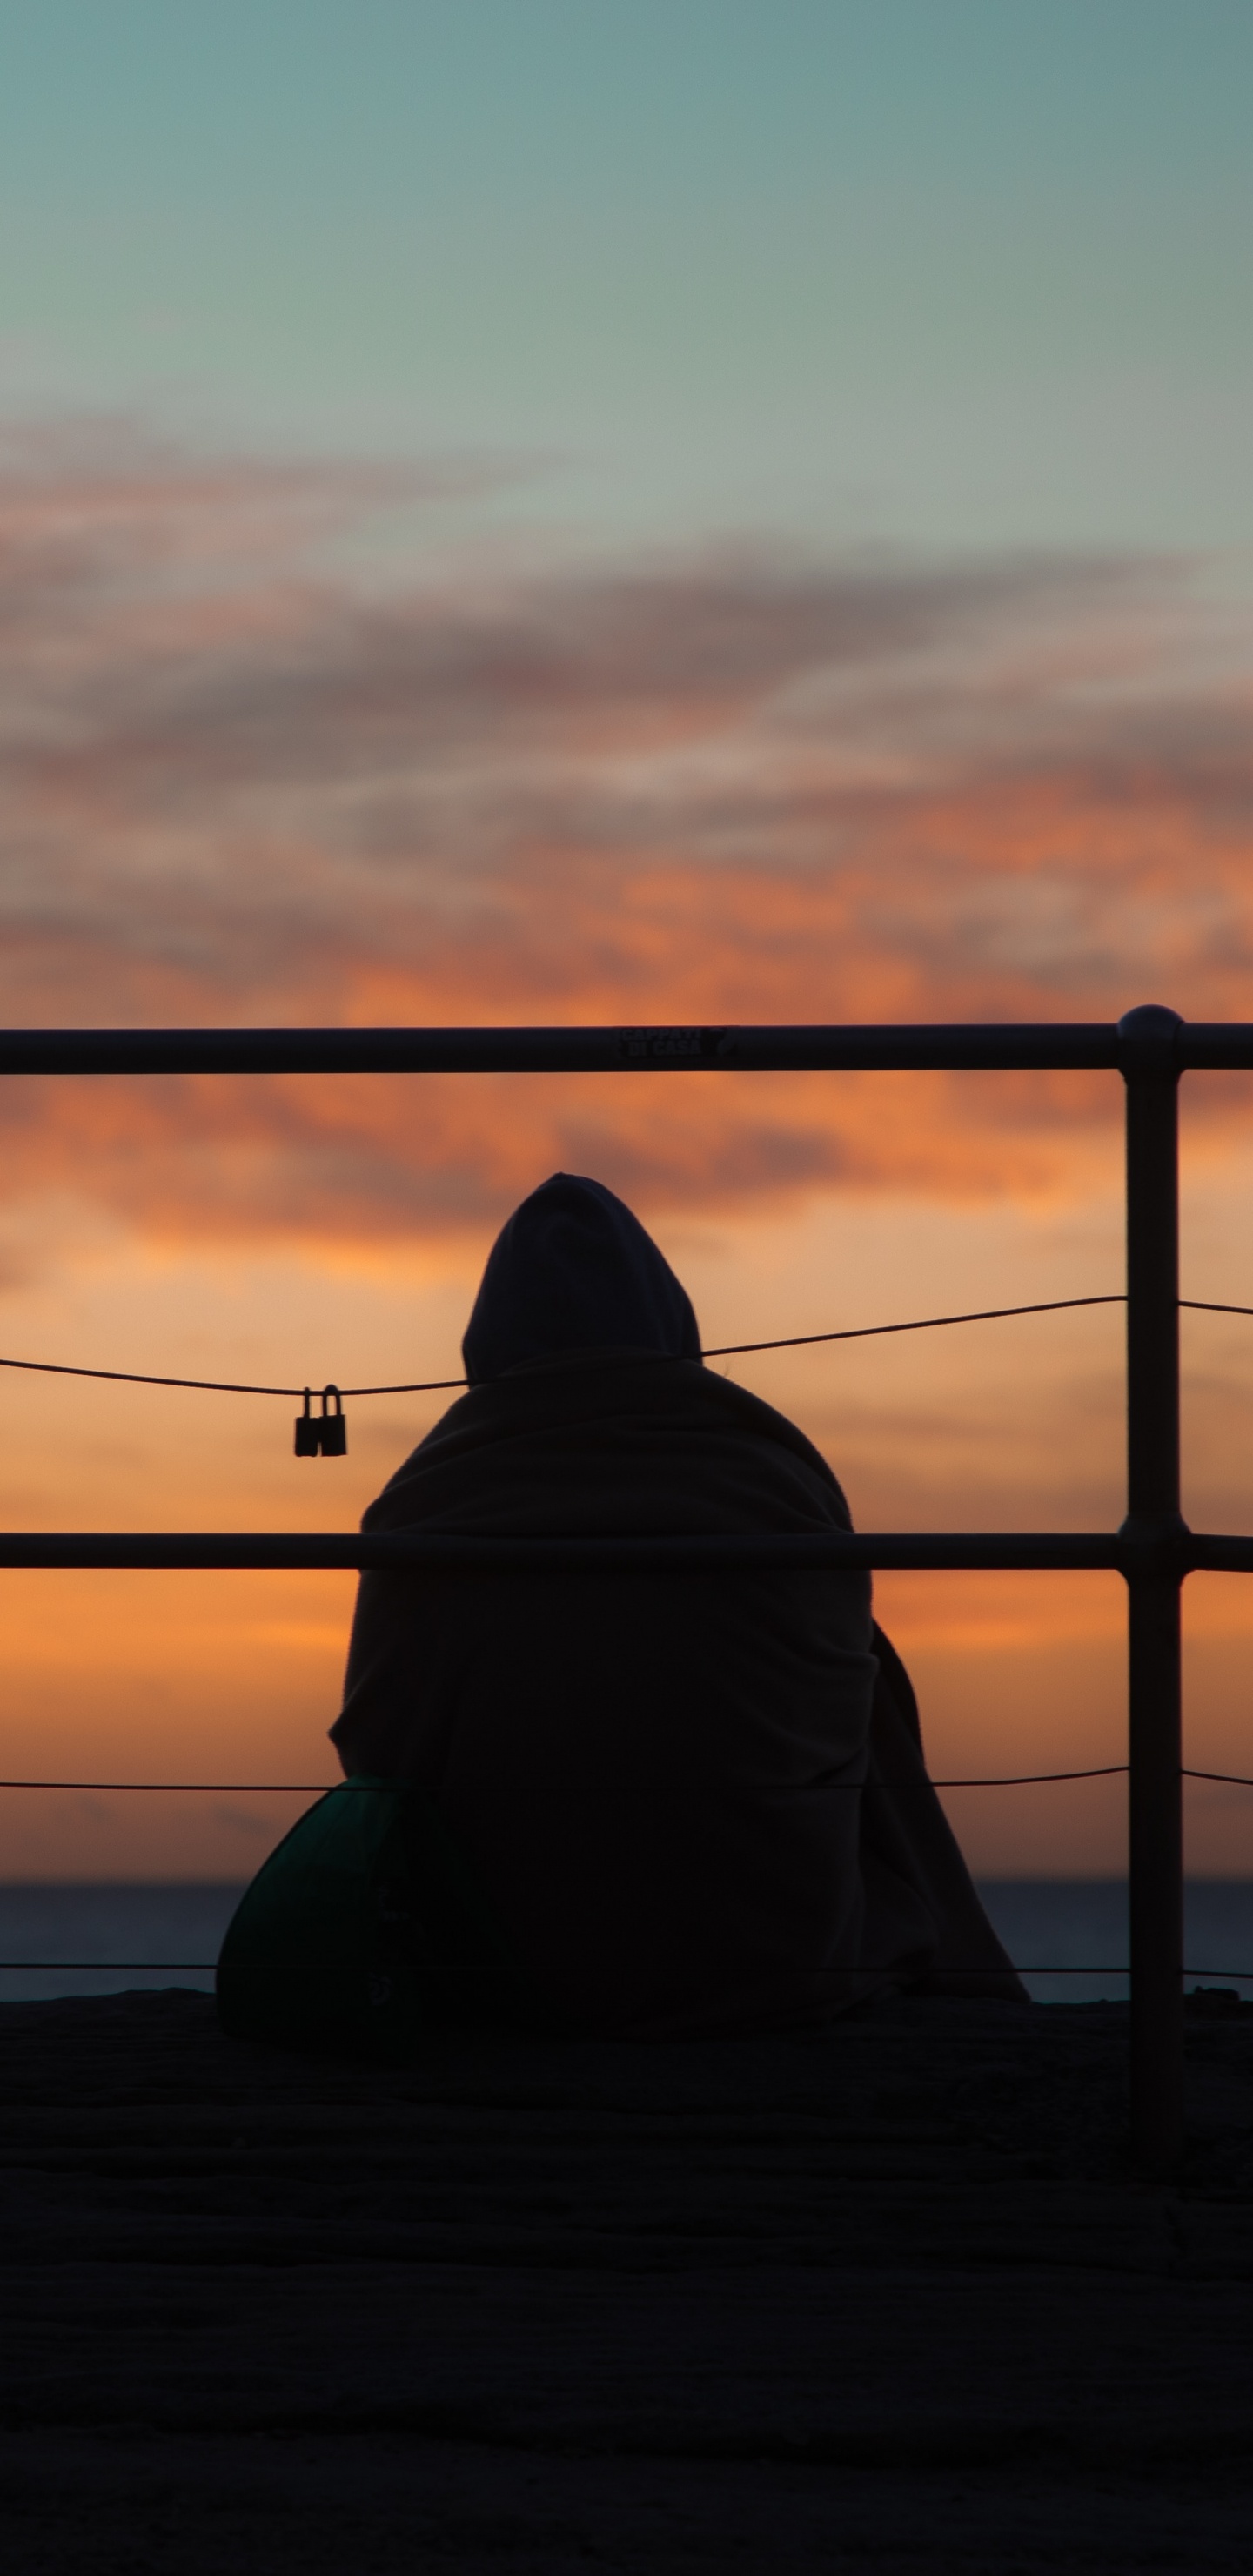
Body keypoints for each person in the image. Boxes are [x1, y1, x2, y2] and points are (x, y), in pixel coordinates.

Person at [219, 1172, 1022, 2050]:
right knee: (866, 1665)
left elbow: (378, 1754)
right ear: (673, 1324)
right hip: (772, 1967)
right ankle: (966, 1963)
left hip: (506, 1974)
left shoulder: (425, 1504)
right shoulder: (772, 1478)